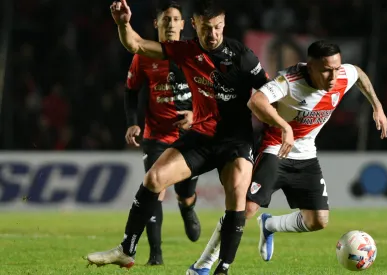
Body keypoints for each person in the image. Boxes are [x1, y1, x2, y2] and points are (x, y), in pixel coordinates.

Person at [86, 0, 269, 274]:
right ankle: (127, 250)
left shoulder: (241, 55)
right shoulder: (185, 50)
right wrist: (123, 24)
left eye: (218, 27)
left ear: (224, 24)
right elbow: (136, 45)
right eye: (207, 28)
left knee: (236, 197)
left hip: (235, 141)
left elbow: (269, 90)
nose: (213, 34)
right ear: (194, 25)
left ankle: (223, 268)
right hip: (201, 137)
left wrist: (280, 125)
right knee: (154, 179)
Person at [186, 41, 387, 274]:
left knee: (318, 221)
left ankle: (270, 224)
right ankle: (202, 265)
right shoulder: (289, 82)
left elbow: (359, 74)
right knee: (246, 209)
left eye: (336, 68)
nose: (333, 76)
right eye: (326, 70)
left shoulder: (342, 75)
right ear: (310, 66)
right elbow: (256, 101)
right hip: (275, 149)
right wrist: (284, 126)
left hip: (306, 153)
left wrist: (377, 106)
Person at [124, 2, 201, 266]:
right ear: (157, 24)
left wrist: (194, 115)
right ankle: (155, 255)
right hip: (155, 134)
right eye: (165, 19)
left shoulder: (194, 54)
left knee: (185, 190)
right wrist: (132, 123)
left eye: (176, 19)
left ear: (183, 24)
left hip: (191, 135)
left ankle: (187, 205)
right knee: (154, 188)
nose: (170, 24)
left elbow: (210, 92)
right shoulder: (144, 55)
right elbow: (131, 91)